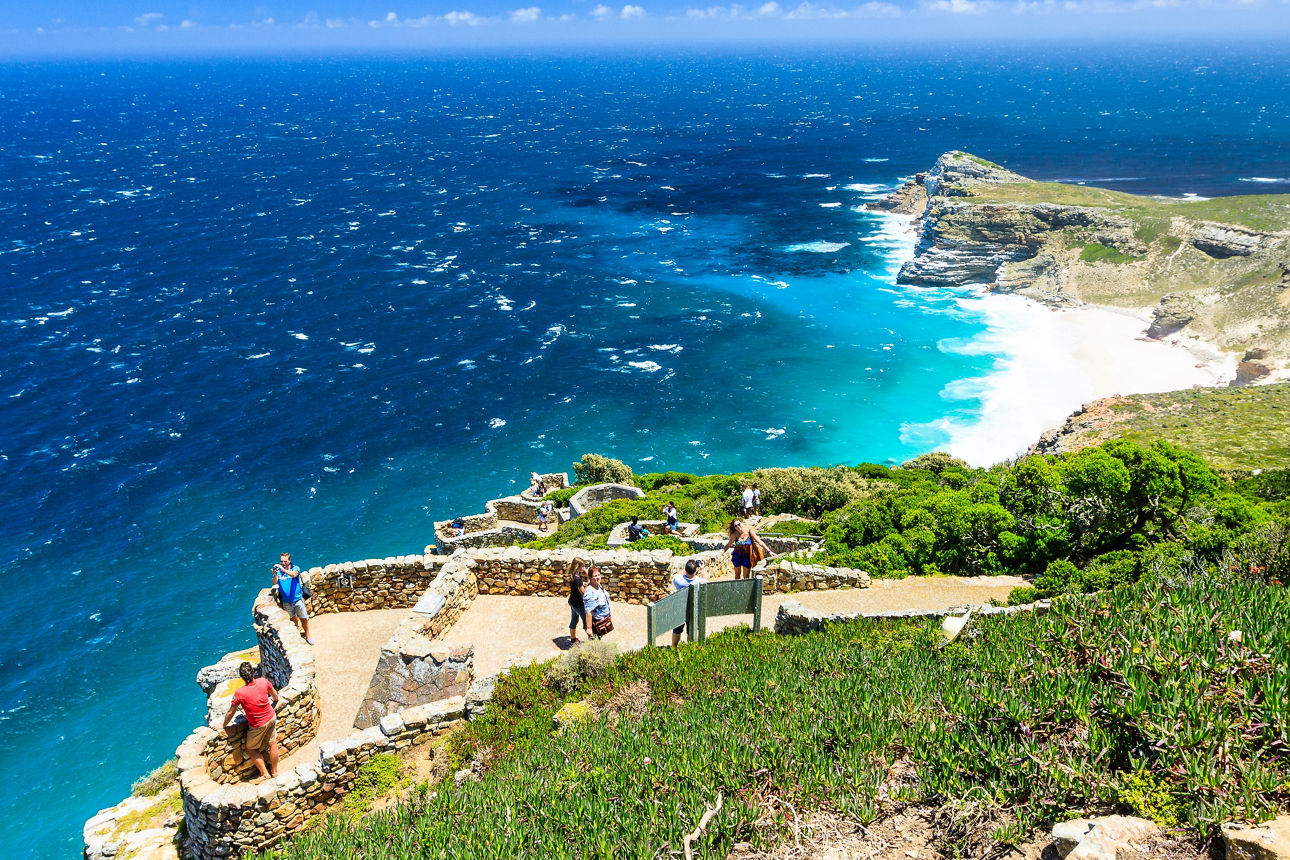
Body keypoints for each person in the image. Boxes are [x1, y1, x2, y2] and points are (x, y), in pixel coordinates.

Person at [223, 662, 280, 781]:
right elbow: (274, 694)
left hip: (258, 724)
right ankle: (274, 771)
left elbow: (231, 712)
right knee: (273, 743)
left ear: (242, 677)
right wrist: (275, 700)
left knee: (251, 749)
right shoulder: (263, 681)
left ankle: (265, 774)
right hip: (271, 716)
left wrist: (223, 725)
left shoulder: (240, 693)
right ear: (253, 672)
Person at [272, 552, 314, 645]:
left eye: (285, 561)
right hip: (286, 602)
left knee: (303, 618)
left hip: (297, 600)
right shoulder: (279, 572)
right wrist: (275, 574)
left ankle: (308, 635)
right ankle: (297, 635)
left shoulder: (295, 568)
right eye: (281, 561)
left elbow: (294, 575)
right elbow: (274, 582)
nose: (283, 563)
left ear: (289, 560)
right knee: (292, 620)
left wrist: (282, 569)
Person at [670, 558, 707, 647]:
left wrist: (685, 569)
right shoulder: (699, 582)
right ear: (696, 570)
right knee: (691, 631)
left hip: (680, 609)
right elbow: (706, 581)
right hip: (694, 611)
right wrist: (702, 570)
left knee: (677, 630)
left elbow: (676, 575)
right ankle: (689, 649)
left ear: (686, 569)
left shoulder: (678, 581)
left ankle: (674, 646)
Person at [581, 565, 612, 637]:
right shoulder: (589, 592)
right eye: (595, 576)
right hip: (598, 622)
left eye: (599, 575)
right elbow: (588, 611)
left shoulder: (598, 585)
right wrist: (589, 628)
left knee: (599, 638)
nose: (598, 577)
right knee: (595, 641)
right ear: (590, 578)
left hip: (604, 619)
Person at [567, 559, 588, 644]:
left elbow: (583, 573)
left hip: (572, 602)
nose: (584, 568)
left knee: (574, 621)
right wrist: (589, 580)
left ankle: (573, 639)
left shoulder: (572, 575)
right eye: (582, 566)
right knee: (587, 624)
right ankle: (592, 642)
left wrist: (585, 572)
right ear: (577, 567)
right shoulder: (577, 579)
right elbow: (584, 593)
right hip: (579, 605)